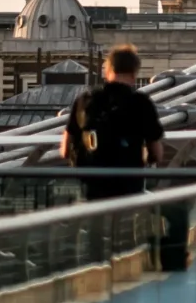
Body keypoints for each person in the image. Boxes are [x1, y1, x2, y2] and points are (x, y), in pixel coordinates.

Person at [59, 45, 167, 199]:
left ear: (108, 71)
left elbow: (65, 150)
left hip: (91, 187)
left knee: (94, 221)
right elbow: (157, 153)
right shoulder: (141, 102)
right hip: (128, 187)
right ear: (134, 73)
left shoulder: (85, 100)